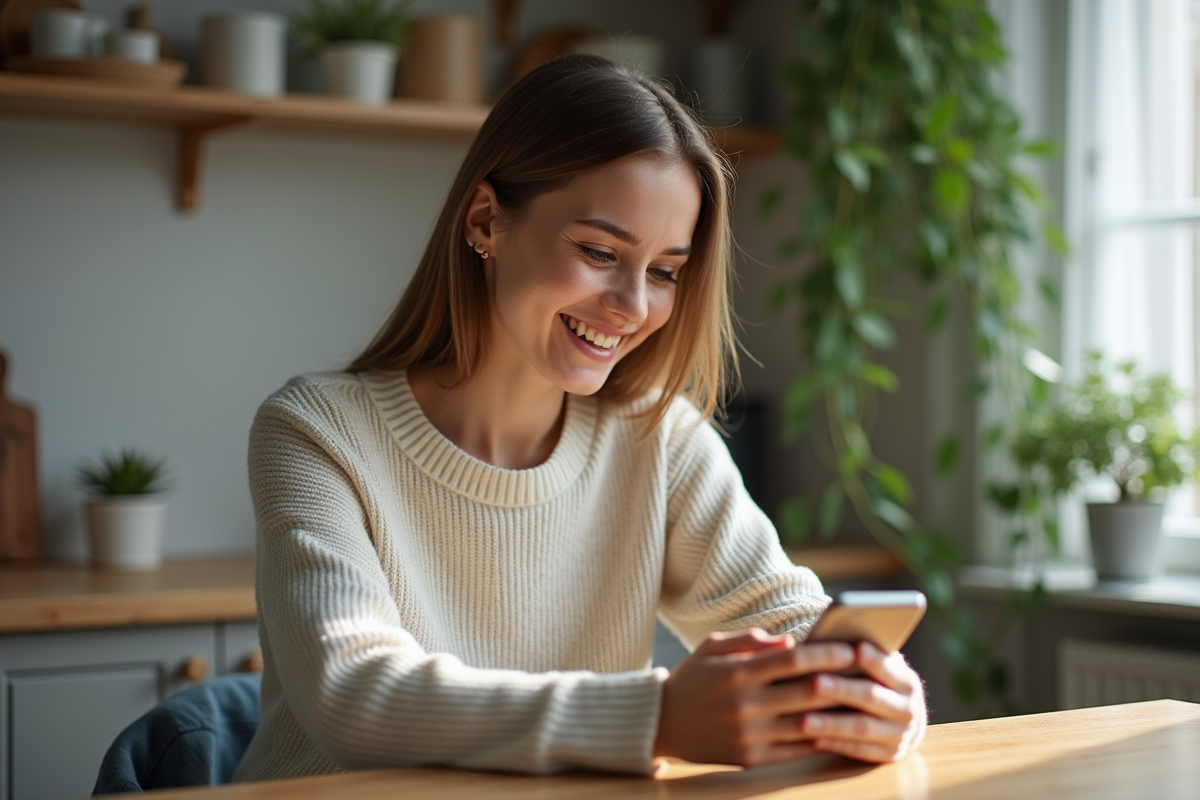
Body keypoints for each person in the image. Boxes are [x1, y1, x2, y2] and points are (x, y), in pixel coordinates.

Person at [233, 54, 926, 782]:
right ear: (485, 222)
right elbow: (352, 695)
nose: (632, 305)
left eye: (664, 271)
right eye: (600, 251)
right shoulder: (316, 430)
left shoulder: (658, 438)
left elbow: (786, 618)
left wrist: (876, 694)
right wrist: (656, 719)